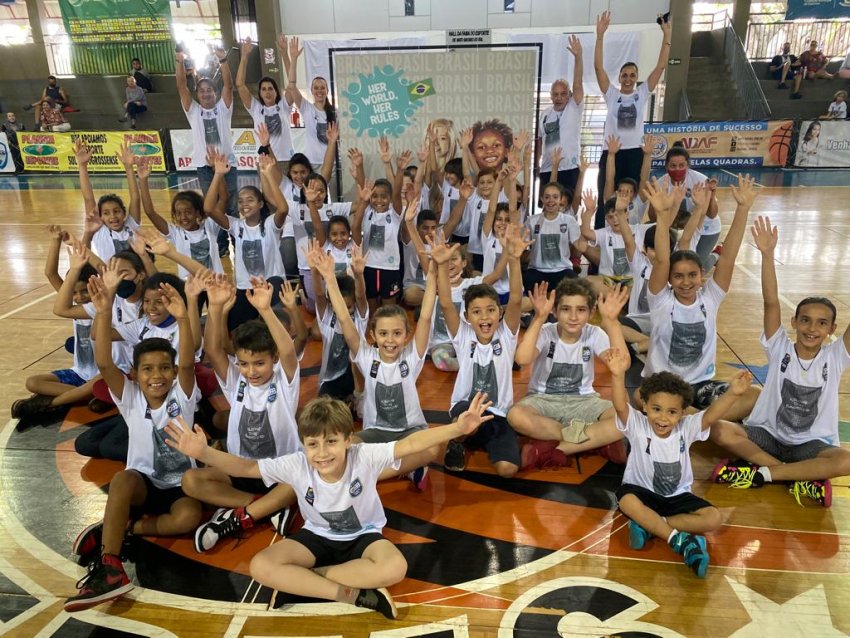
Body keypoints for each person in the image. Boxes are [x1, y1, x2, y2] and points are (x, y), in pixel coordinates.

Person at [165, 391, 499, 620]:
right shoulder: (298, 464)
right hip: (317, 536)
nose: (322, 452)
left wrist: (457, 427)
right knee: (260, 566)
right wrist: (204, 453)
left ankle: (303, 582)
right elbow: (248, 468)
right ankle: (350, 595)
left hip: (363, 536)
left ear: (348, 440)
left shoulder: (362, 455)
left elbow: (411, 442)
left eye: (331, 442)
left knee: (394, 568)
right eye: (313, 444)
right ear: (303, 444)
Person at [64, 276, 201, 612]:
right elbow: (104, 364)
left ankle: (125, 527)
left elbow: (186, 362)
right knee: (123, 478)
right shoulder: (130, 397)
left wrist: (183, 318)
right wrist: (104, 310)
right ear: (136, 374)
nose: (157, 375)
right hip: (143, 484)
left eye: (164, 369)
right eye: (148, 369)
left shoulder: (182, 396)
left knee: (188, 519)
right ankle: (110, 566)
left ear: (173, 373)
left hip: (181, 485)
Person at [710, 217, 850, 508]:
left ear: (832, 329)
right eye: (806, 321)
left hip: (809, 446)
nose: (812, 329)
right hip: (768, 435)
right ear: (794, 322)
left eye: (822, 323)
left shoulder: (836, 357)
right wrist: (767, 255)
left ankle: (760, 474)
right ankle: (792, 477)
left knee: (845, 460)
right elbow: (771, 300)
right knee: (719, 429)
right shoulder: (780, 348)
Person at [602, 342, 751, 578]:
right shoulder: (637, 424)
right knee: (627, 500)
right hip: (641, 492)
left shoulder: (687, 427)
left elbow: (711, 414)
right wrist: (617, 375)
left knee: (713, 518)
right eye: (656, 409)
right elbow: (620, 405)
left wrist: (733, 393)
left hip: (676, 497)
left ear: (682, 413)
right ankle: (678, 540)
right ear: (645, 406)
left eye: (672, 412)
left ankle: (652, 526)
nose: (663, 418)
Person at [311, 236, 438, 490]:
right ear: (373, 336)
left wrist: (434, 270)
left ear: (406, 335)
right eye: (383, 334)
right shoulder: (366, 355)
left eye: (397, 334)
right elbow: (346, 320)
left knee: (433, 448)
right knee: (347, 447)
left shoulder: (411, 357)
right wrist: (328, 278)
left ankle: (372, 473)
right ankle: (405, 467)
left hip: (409, 432)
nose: (390, 340)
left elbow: (424, 316)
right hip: (375, 434)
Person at [185, 275, 301, 552]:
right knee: (191, 480)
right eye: (245, 364)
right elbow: (213, 349)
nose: (251, 371)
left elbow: (286, 349)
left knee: (303, 479)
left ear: (272, 359)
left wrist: (265, 309)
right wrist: (213, 307)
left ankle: (256, 509)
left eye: (259, 363)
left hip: (279, 471)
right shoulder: (237, 382)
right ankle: (263, 508)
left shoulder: (284, 381)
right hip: (242, 469)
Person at [641, 175, 761, 420]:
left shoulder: (711, 298)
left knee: (755, 395)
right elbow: (663, 259)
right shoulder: (661, 300)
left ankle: (689, 419)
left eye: (692, 275)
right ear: (669, 279)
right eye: (678, 277)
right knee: (642, 399)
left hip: (699, 386)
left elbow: (727, 257)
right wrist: (663, 217)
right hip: (663, 385)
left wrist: (742, 209)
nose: (686, 282)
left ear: (702, 275)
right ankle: (700, 420)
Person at [435, 225, 529, 477]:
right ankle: (458, 440)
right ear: (467, 317)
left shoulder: (506, 335)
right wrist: (442, 266)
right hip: (466, 408)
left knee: (508, 470)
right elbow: (445, 303)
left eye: (490, 310)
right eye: (477, 312)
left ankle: (474, 438)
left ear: (500, 312)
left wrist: (515, 259)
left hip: (498, 414)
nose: (485, 316)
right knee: (467, 418)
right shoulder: (464, 335)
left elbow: (517, 299)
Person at [510, 281, 629, 470]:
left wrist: (612, 322)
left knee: (626, 418)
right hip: (542, 399)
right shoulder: (546, 331)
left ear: (591, 313)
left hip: (584, 401)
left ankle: (555, 448)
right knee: (516, 416)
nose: (573, 316)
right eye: (566, 309)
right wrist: (539, 317)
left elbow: (622, 362)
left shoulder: (594, 333)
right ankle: (594, 441)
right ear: (555, 312)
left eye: (581, 310)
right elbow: (522, 359)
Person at [12, 231, 100, 426]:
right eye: (74, 292)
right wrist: (55, 241)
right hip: (79, 373)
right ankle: (84, 398)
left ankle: (63, 400)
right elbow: (51, 274)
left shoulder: (97, 308)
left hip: (100, 376)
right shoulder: (73, 305)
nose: (79, 297)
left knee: (92, 385)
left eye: (85, 291)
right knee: (33, 383)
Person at [594, 9, 671, 228]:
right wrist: (600, 36)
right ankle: (602, 242)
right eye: (624, 75)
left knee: (635, 199)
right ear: (619, 77)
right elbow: (598, 67)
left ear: (637, 78)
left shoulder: (642, 93)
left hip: (635, 153)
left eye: (632, 75)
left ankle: (630, 237)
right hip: (612, 153)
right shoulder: (612, 94)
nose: (628, 79)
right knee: (606, 199)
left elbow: (661, 66)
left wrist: (667, 36)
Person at [204, 152, 289, 331]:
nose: (244, 205)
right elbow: (209, 208)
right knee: (235, 331)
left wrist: (267, 175)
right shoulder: (236, 226)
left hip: (270, 286)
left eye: (250, 200)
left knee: (276, 330)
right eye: (241, 201)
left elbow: (283, 208)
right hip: (246, 289)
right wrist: (218, 174)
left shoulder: (270, 224)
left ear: (260, 203)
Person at [175, 44, 236, 256]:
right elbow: (182, 86)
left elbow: (228, 85)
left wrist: (223, 60)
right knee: (212, 208)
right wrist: (179, 60)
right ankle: (220, 247)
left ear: (214, 92)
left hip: (228, 166)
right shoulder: (193, 111)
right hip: (204, 167)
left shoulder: (223, 109)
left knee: (232, 206)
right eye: (201, 91)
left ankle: (238, 242)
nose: (206, 93)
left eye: (209, 90)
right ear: (197, 95)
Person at [78, 142, 142, 262]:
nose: (113, 216)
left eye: (116, 211)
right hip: (110, 279)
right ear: (100, 217)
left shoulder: (131, 225)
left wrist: (129, 168)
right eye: (106, 213)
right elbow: (88, 198)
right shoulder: (99, 230)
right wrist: (82, 166)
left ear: (124, 213)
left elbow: (135, 197)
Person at [236, 38, 295, 168]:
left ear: (276, 91)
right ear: (260, 94)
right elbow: (240, 84)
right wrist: (244, 56)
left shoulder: (284, 106)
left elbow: (292, 84)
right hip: (265, 161)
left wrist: (284, 54)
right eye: (263, 89)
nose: (267, 92)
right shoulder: (256, 108)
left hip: (286, 160)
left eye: (270, 88)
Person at [537, 35, 584, 194]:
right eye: (555, 94)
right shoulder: (544, 114)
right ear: (550, 95)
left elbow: (578, 83)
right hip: (547, 169)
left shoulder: (574, 107)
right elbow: (540, 140)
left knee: (569, 209)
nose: (559, 98)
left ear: (569, 95)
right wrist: (537, 164)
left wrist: (578, 57)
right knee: (548, 209)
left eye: (563, 94)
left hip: (569, 168)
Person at [285, 37, 337, 174]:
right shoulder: (306, 107)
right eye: (316, 88)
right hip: (312, 164)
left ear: (327, 90)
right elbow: (291, 86)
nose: (319, 91)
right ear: (312, 90)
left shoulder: (335, 112)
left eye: (322, 88)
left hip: (333, 163)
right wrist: (294, 59)